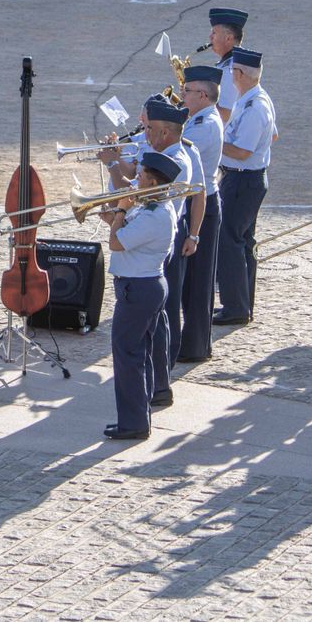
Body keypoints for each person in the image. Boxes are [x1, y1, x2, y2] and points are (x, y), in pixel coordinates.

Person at [100, 96, 204, 406]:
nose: (145, 134)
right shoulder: (162, 154)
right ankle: (159, 385)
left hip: (156, 241)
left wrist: (112, 165)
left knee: (157, 320)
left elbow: (134, 191)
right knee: (157, 321)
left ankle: (158, 383)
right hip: (151, 232)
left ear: (165, 132)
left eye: (150, 129)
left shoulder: (173, 162)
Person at [103, 152, 180, 441]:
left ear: (153, 181)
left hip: (139, 288)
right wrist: (114, 215)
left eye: (141, 175)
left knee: (128, 355)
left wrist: (120, 212)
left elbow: (116, 242)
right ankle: (139, 415)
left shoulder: (155, 215)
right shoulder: (151, 207)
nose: (136, 179)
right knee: (139, 354)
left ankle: (133, 423)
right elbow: (123, 231)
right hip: (143, 287)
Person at [214, 48, 275, 325]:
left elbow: (242, 152)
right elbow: (273, 135)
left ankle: (235, 307)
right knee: (243, 242)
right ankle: (241, 303)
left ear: (240, 74)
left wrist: (215, 144)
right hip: (245, 178)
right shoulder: (253, 98)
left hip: (242, 179)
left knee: (230, 241)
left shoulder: (254, 106)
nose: (230, 75)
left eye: (232, 71)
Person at [177, 65, 224, 362]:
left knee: (197, 283)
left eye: (187, 91)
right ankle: (195, 343)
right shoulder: (199, 119)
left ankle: (195, 347)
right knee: (192, 282)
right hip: (198, 202)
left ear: (203, 95)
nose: (182, 96)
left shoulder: (204, 125)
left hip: (201, 206)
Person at [207, 8, 249, 122]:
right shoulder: (234, 62)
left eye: (214, 32)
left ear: (228, 38)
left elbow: (226, 114)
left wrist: (197, 104)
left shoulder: (230, 70)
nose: (210, 37)